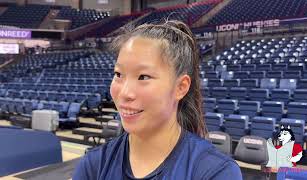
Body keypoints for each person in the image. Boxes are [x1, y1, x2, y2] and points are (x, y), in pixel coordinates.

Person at [73, 20, 242, 180]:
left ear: (180, 87)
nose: (124, 93)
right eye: (118, 74)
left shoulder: (215, 172)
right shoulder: (93, 166)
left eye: (143, 76)